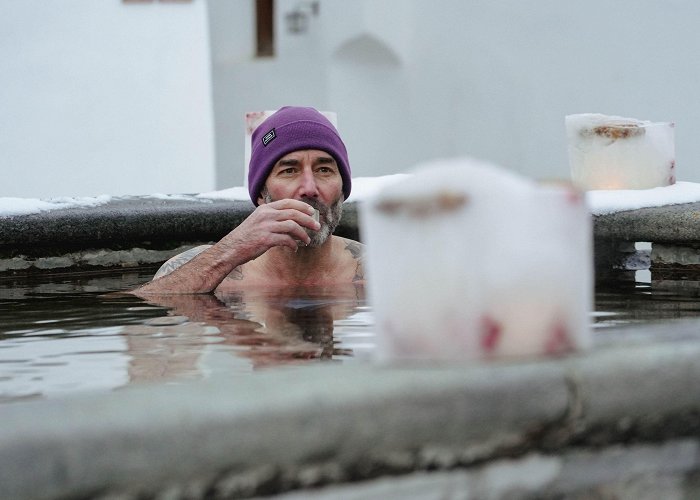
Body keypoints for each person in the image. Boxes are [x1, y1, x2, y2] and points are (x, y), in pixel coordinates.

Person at [132, 106, 365, 295]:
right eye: (289, 171)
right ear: (261, 194)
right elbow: (140, 315)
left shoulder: (373, 271)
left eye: (324, 170)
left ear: (343, 188)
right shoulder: (206, 269)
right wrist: (231, 250)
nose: (309, 188)